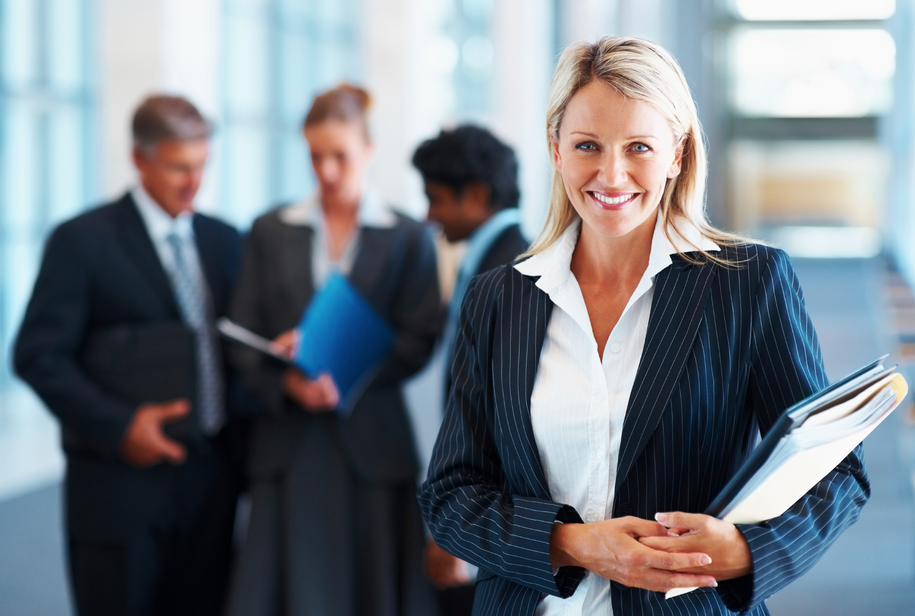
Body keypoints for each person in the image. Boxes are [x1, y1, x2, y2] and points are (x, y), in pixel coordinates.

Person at [418, 36, 870, 615]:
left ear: (677, 154)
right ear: (556, 150)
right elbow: (451, 496)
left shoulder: (749, 284)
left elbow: (837, 472)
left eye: (639, 146)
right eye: (587, 145)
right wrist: (576, 545)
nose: (611, 173)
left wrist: (745, 551)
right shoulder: (498, 299)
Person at [13, 95, 246, 616]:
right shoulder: (82, 241)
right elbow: (37, 354)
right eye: (178, 167)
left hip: (210, 479)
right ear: (139, 160)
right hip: (119, 487)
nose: (194, 182)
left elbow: (237, 345)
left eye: (203, 165)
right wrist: (120, 428)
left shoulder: (224, 240)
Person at [224, 83, 441, 616]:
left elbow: (420, 337)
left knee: (376, 592)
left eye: (339, 156)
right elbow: (242, 331)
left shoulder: (408, 236)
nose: (326, 170)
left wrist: (350, 367)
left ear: (368, 150)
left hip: (371, 441)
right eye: (315, 156)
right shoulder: (271, 230)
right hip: (290, 442)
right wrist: (285, 379)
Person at [411, 124, 529, 614]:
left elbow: (501, 421)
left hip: (487, 521)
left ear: (477, 196)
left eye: (436, 200)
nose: (430, 215)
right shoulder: (484, 268)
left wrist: (460, 533)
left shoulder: (509, 279)